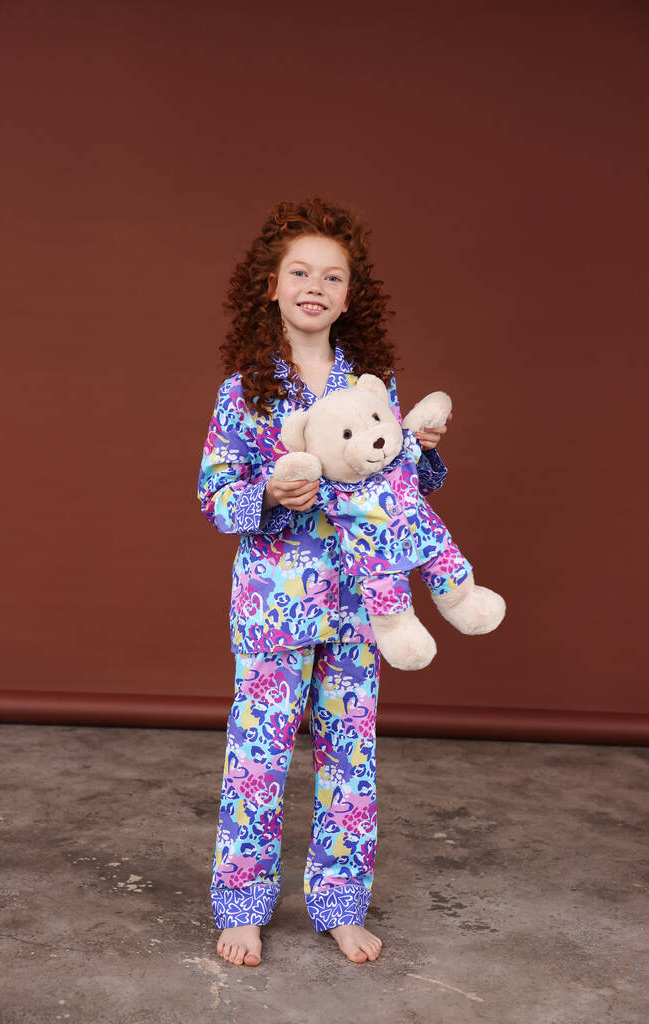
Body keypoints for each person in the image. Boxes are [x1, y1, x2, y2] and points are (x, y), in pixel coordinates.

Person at [197, 196, 451, 967]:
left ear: (349, 297)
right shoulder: (244, 392)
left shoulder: (372, 385)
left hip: (361, 603)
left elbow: (399, 489)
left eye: (332, 276)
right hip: (273, 607)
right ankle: (242, 905)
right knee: (258, 760)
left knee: (351, 761)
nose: (315, 286)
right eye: (299, 272)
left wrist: (422, 447)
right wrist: (269, 494)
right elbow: (214, 498)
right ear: (270, 286)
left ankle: (339, 904)